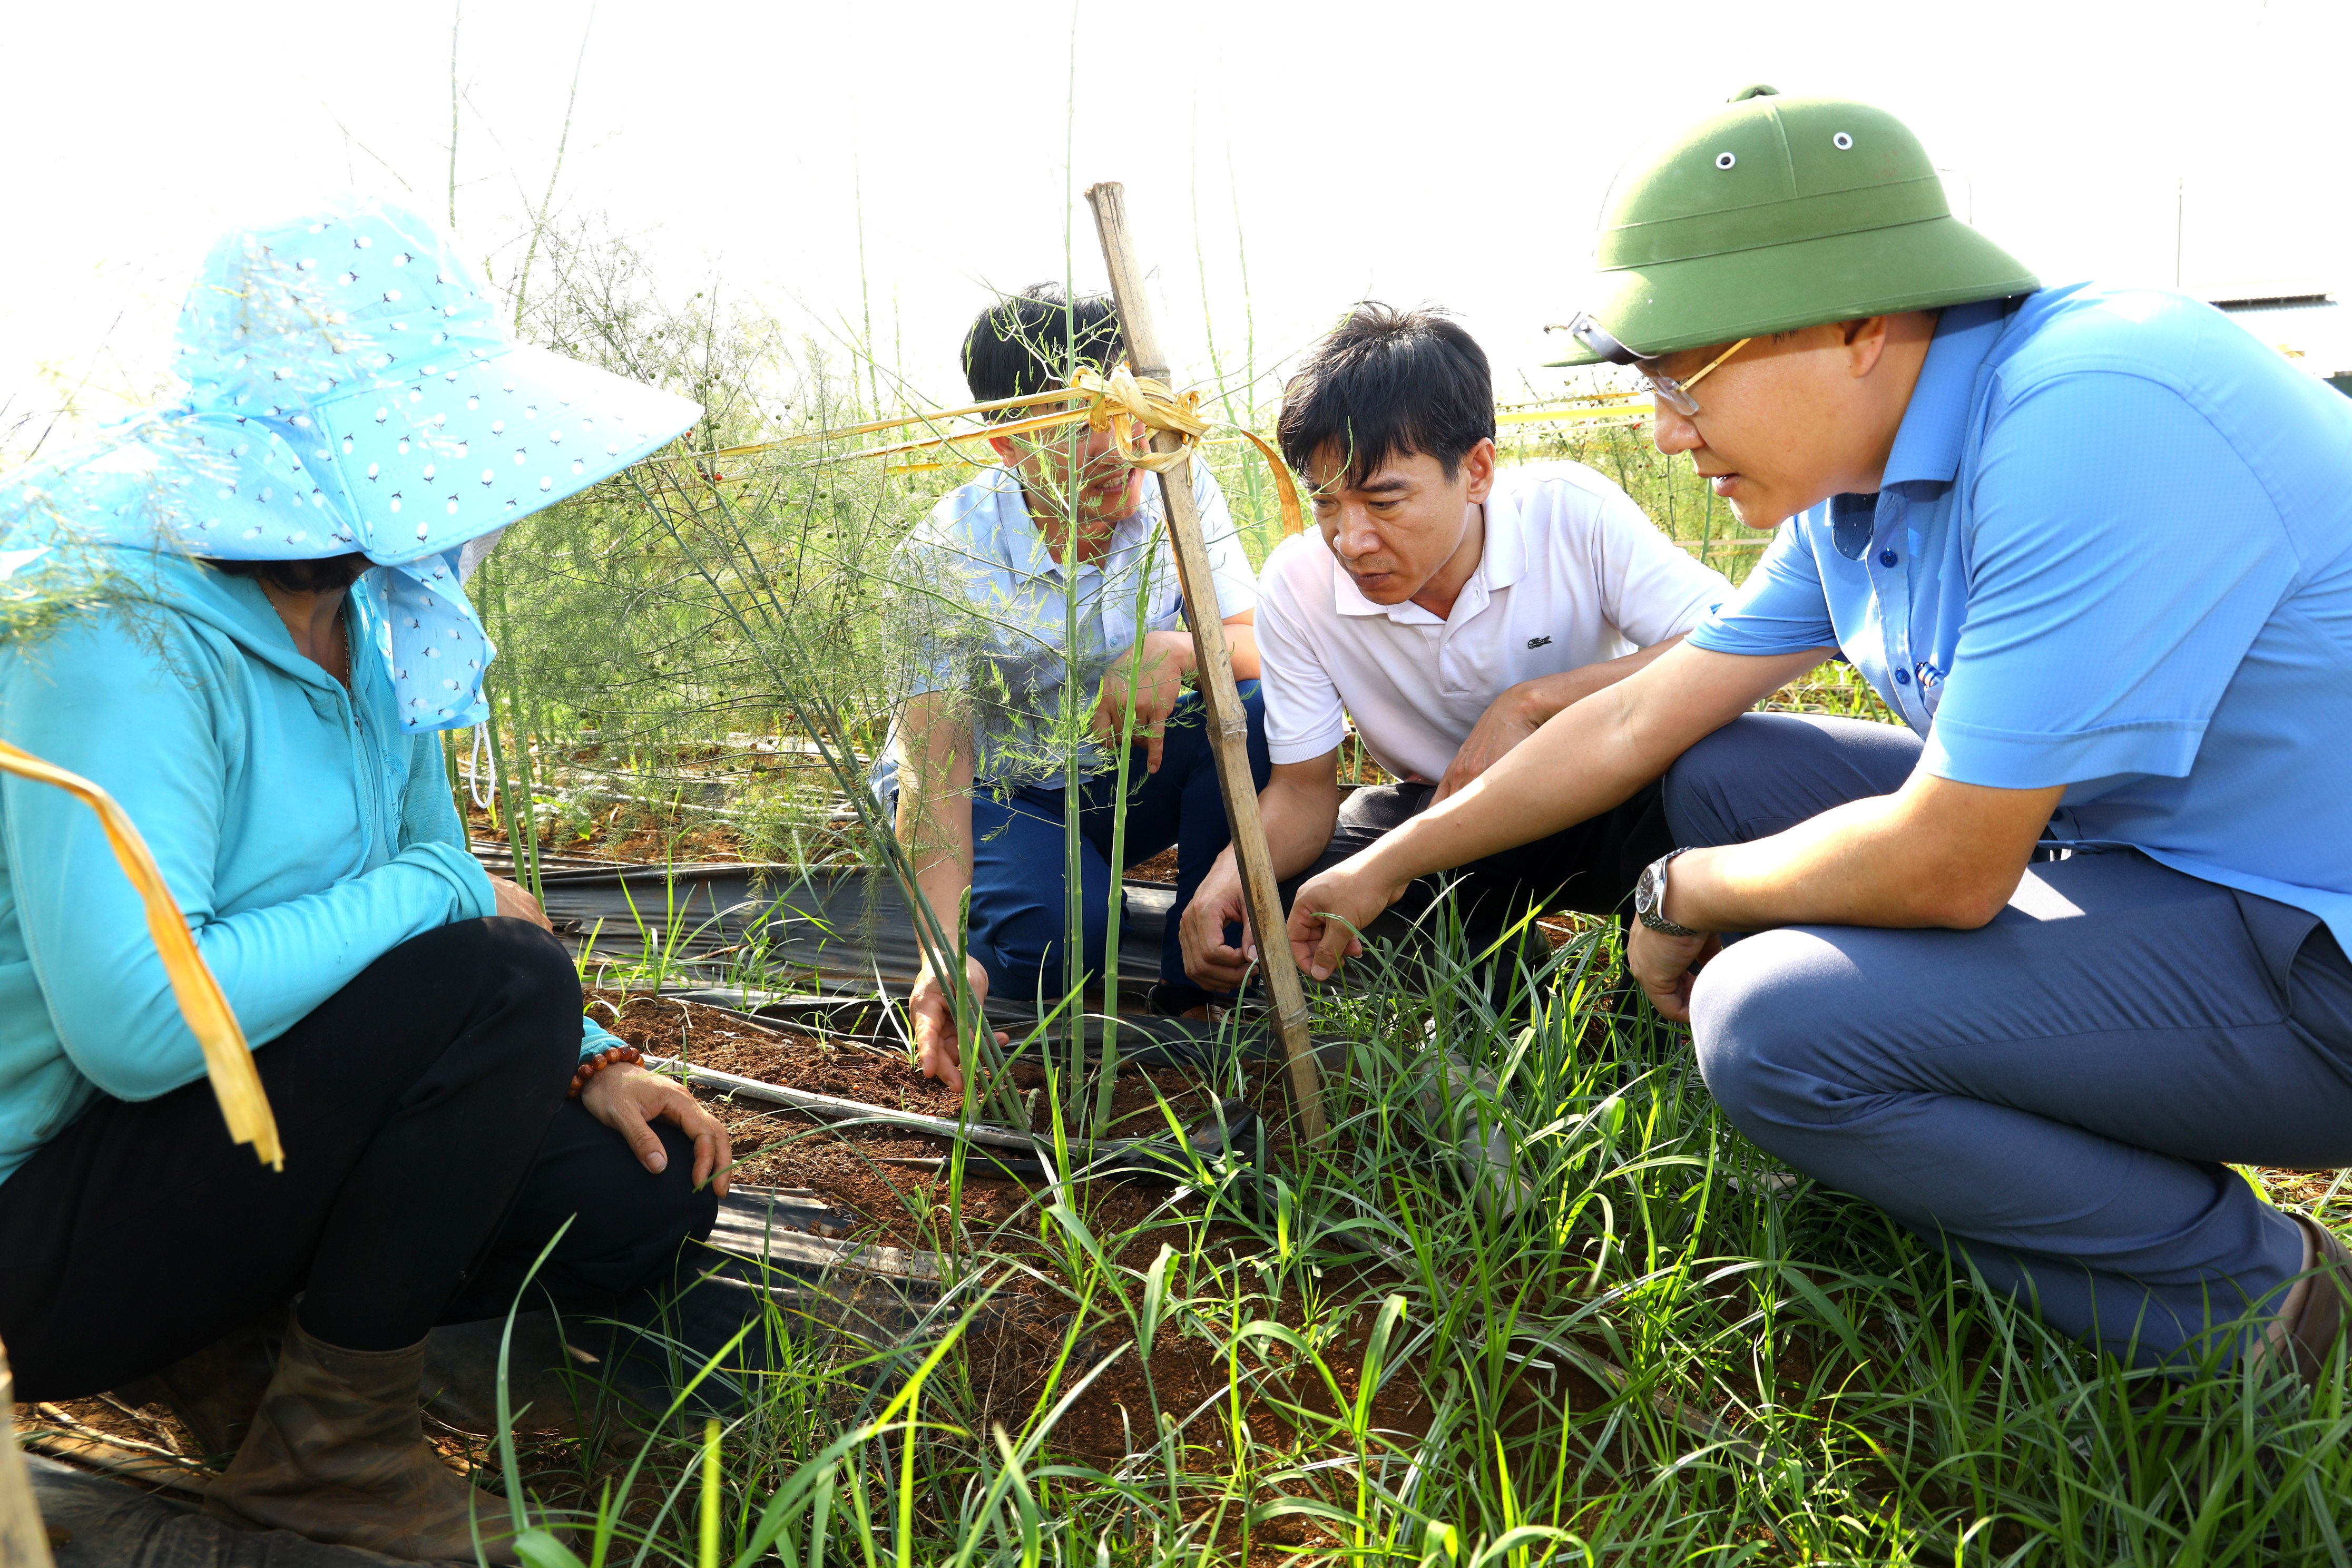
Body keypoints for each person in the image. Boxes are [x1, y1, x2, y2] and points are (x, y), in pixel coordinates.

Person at [1283, 85, 2352, 1380]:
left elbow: (1953, 865)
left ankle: (2256, 1307)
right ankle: (1994, 1146)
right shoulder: (1861, 497)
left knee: (1771, 1023)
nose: (1668, 436)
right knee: (1722, 767)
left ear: (1856, 325)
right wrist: (1387, 863)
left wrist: (1688, 892)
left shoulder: (2092, 411)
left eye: (1685, 381)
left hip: (2311, 940)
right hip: (2149, 859)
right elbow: (1634, 719)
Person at [0, 197, 732, 1562]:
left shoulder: (378, 625)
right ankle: (330, 1460)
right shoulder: (121, 635)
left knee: (638, 1189)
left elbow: (430, 873)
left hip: (218, 1150)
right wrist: (456, 910)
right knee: (497, 963)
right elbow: (146, 1023)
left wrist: (581, 1058)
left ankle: (255, 1362)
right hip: (45, 1213)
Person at [1180, 305, 1729, 997]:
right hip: (1444, 826)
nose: (1350, 540)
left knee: (1720, 782)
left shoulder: (1568, 514)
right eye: (1326, 504)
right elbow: (1302, 791)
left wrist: (1533, 705)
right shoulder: (1298, 583)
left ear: (1476, 470)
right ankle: (1499, 994)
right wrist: (1235, 874)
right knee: (1296, 891)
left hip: (1609, 796)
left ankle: (1651, 1003)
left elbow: (1729, 639)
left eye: (1383, 502)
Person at [882, 284, 1269, 1089]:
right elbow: (937, 764)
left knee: (1257, 715)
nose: (1114, 454)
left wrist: (1175, 648)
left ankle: (1199, 986)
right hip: (999, 791)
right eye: (1074, 431)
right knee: (1068, 935)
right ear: (1007, 446)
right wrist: (940, 950)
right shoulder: (946, 554)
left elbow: (1255, 645)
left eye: (1122, 418)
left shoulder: (1176, 487)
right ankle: (991, 961)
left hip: (1119, 771)